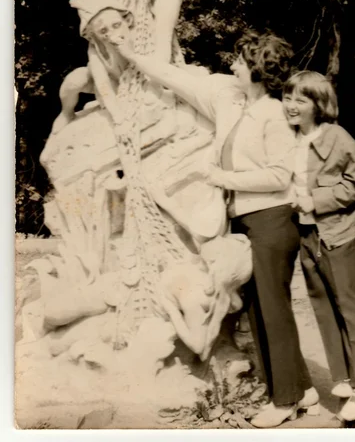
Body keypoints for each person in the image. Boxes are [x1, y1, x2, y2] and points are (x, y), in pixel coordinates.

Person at [111, 30, 318, 427]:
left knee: (271, 311)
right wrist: (127, 52)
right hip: (247, 220)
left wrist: (220, 178)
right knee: (260, 309)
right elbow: (172, 76)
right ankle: (303, 388)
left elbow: (279, 176)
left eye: (241, 61)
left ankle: (285, 400)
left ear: (258, 70)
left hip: (272, 219)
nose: (233, 65)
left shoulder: (274, 115)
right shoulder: (232, 102)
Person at [282, 71, 355, 422]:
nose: (291, 106)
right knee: (321, 305)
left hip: (336, 232)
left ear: (319, 104)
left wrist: (315, 200)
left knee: (349, 306)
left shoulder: (337, 137)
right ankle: (342, 376)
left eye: (300, 100)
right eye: (288, 97)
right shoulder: (290, 137)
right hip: (306, 234)